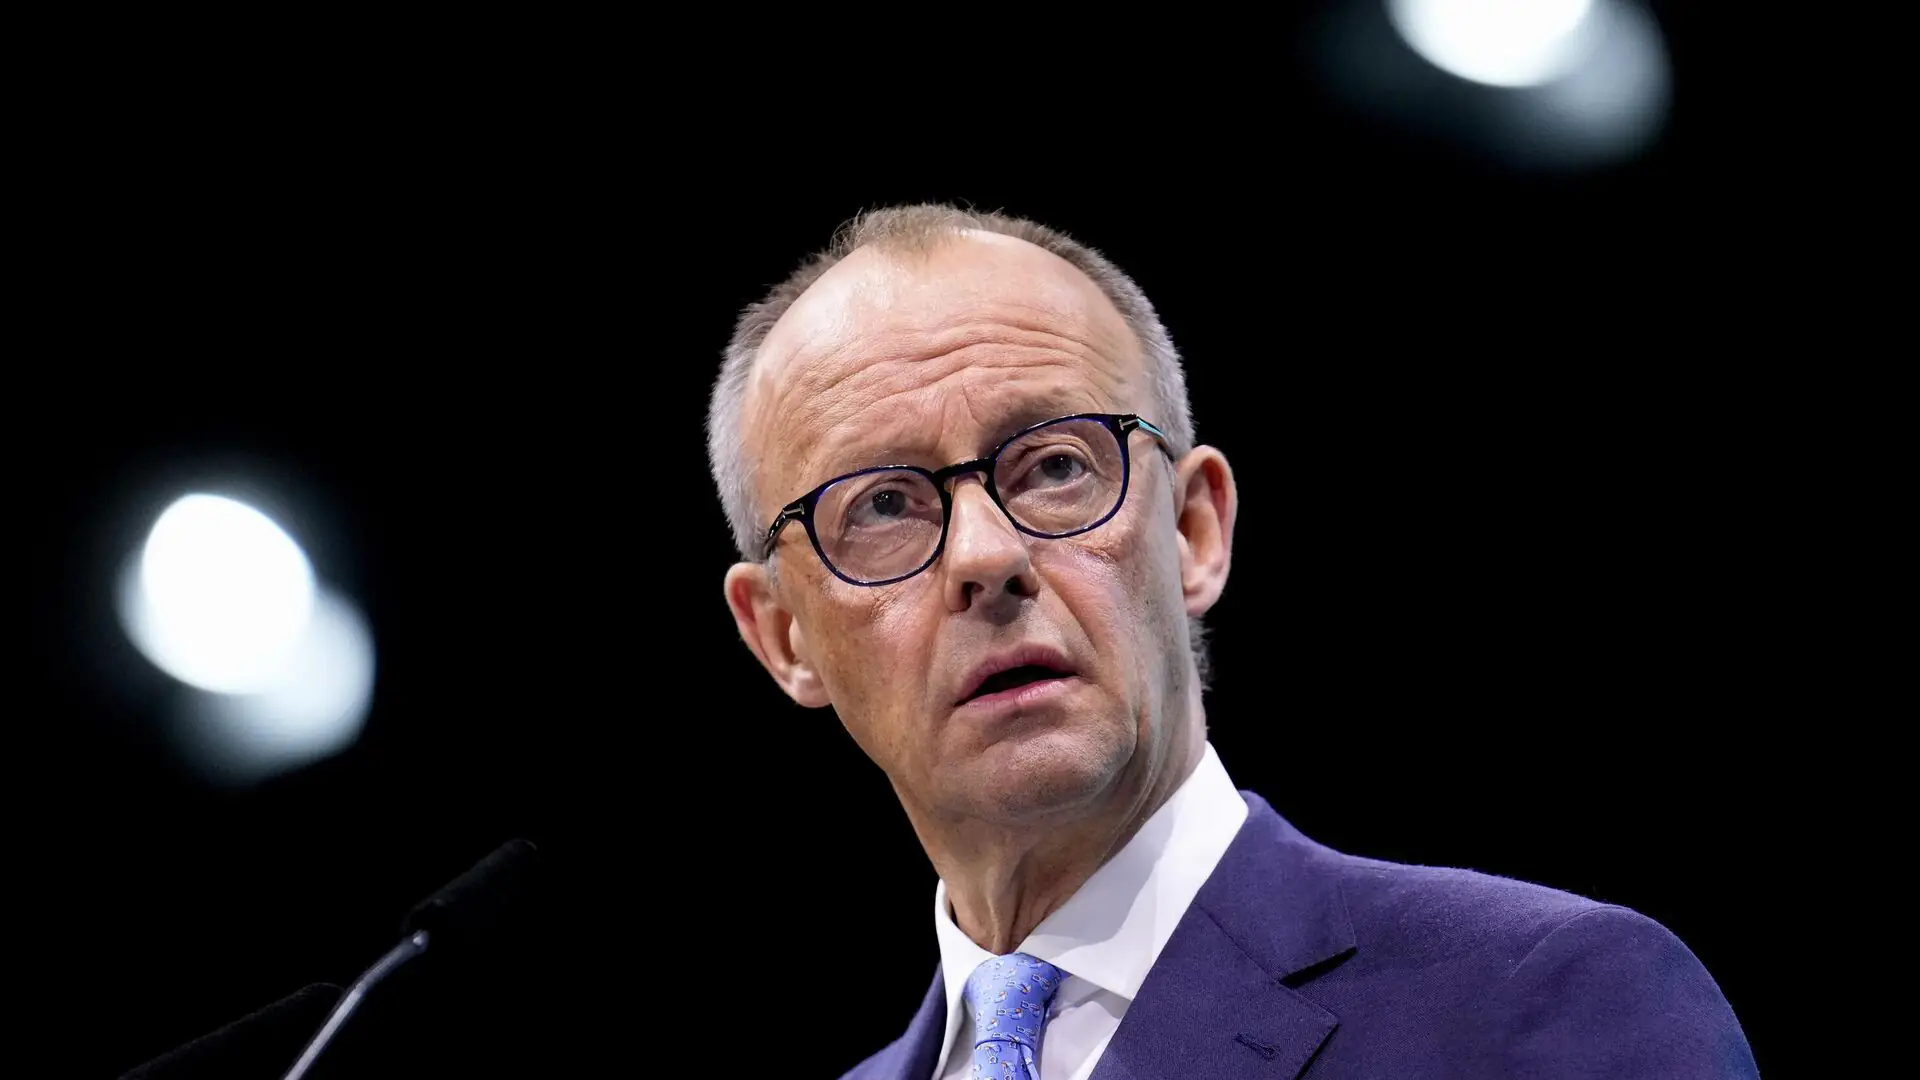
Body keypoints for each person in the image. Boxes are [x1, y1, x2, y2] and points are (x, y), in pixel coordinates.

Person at [707, 204, 1758, 1080]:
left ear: (1193, 531)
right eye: (882, 505)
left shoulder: (1539, 1004)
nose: (987, 554)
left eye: (1057, 465)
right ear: (783, 635)